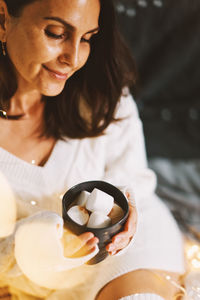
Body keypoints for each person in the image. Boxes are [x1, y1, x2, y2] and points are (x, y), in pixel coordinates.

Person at [0, 0, 185, 299]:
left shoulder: (100, 93)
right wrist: (32, 246)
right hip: (32, 280)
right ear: (3, 20)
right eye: (56, 33)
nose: (73, 58)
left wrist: (127, 204)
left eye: (87, 39)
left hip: (124, 251)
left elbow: (134, 179)